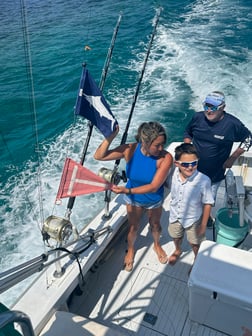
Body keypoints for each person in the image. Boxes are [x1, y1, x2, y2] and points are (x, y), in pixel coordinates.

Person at [94, 121, 173, 271]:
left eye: (163, 144)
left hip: (153, 199)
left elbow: (154, 186)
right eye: (157, 145)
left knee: (155, 225)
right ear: (144, 142)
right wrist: (111, 136)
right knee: (133, 227)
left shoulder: (166, 158)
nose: (161, 148)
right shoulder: (129, 149)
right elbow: (99, 156)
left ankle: (156, 245)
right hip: (134, 200)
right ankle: (131, 249)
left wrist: (126, 191)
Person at [184, 91, 252, 226]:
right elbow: (188, 132)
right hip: (192, 170)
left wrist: (232, 158)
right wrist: (187, 146)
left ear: (223, 107)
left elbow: (248, 138)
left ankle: (206, 218)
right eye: (206, 106)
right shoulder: (197, 117)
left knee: (208, 200)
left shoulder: (232, 124)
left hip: (214, 174)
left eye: (213, 107)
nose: (209, 111)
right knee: (191, 196)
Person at [168, 143, 214, 271]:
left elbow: (208, 203)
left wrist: (203, 225)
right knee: (175, 235)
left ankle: (196, 258)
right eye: (185, 164)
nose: (190, 167)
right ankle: (178, 250)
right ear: (177, 164)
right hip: (174, 216)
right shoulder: (172, 175)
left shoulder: (204, 180)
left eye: (194, 163)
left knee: (195, 242)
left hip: (193, 219)